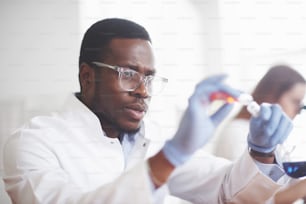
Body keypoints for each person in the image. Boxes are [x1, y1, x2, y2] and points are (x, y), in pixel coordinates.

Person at [2, 18, 293, 204]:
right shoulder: (34, 142)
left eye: (149, 77)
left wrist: (261, 151)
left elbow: (225, 191)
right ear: (87, 76)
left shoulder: (151, 138)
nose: (143, 90)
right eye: (128, 74)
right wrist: (172, 155)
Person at [214, 65, 306, 161]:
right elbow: (250, 175)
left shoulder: (268, 137)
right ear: (272, 95)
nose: (299, 110)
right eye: (295, 101)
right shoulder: (237, 130)